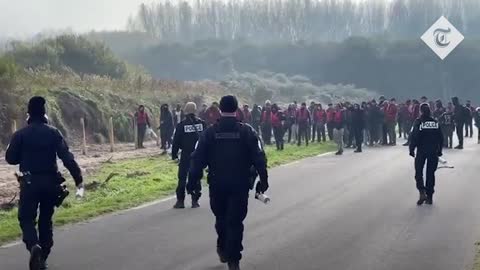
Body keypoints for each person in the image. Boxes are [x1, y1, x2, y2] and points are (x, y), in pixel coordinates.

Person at [188, 95, 269, 270]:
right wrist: (263, 180)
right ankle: (234, 260)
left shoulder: (209, 133)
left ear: (220, 110)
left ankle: (223, 248)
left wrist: (192, 182)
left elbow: (196, 159)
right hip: (240, 184)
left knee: (221, 218)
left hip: (217, 184)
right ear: (236, 109)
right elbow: (260, 158)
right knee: (235, 221)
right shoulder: (247, 131)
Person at [5, 96, 84, 270]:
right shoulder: (53, 132)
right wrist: (78, 179)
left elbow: (10, 158)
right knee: (46, 220)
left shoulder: (20, 135)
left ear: (28, 115)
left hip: (29, 183)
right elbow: (67, 157)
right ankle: (43, 256)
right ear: (45, 114)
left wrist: (23, 154)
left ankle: (34, 246)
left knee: (26, 218)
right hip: (50, 182)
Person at [171, 102, 206, 209]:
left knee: (182, 177)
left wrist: (174, 155)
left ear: (185, 111)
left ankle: (180, 201)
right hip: (198, 155)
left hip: (186, 154)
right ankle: (195, 200)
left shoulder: (181, 125)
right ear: (195, 110)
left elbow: (176, 141)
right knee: (196, 177)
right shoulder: (202, 124)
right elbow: (206, 140)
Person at [409, 103, 443, 205]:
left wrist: (411, 149)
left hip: (421, 150)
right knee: (430, 173)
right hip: (433, 151)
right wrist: (439, 150)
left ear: (421, 111)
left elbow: (414, 136)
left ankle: (421, 192)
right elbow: (440, 138)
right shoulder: (435, 122)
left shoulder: (418, 122)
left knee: (418, 172)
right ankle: (430, 196)